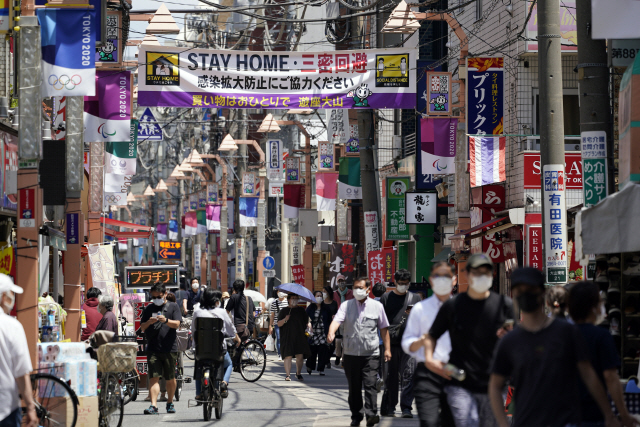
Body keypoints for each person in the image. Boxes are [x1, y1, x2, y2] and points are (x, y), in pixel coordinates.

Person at [489, 269, 622, 427]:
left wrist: (608, 415)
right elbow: (495, 385)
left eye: (530, 290)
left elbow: (589, 375)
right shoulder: (509, 341)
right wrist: (503, 424)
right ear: (513, 294)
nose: (525, 295)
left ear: (542, 293)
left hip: (566, 422)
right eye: (519, 290)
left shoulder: (566, 333)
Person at [424, 253, 514, 427]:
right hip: (459, 381)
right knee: (467, 423)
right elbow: (431, 336)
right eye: (476, 272)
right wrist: (430, 359)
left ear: (492, 274)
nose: (481, 276)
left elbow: (517, 341)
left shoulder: (504, 304)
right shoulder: (453, 305)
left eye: (485, 272)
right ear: (467, 275)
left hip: (494, 383)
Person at [569, 281, 638, 427]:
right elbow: (611, 378)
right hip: (593, 415)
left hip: (565, 414)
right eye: (600, 301)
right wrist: (623, 415)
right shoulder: (601, 336)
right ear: (593, 306)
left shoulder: (562, 335)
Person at [328, 277, 391, 427]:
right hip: (350, 354)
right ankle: (356, 416)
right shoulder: (346, 305)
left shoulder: (377, 306)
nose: (357, 290)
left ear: (368, 290)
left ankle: (371, 415)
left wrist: (387, 349)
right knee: (354, 388)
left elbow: (384, 329)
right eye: (355, 287)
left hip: (371, 354)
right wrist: (331, 332)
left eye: (361, 288)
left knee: (370, 385)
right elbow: (337, 320)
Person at [402, 261, 456, 427]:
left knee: (452, 420)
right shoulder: (420, 309)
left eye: (446, 276)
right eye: (437, 276)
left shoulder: (463, 308)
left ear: (454, 280)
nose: (442, 280)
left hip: (454, 371)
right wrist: (421, 341)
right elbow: (407, 342)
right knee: (429, 421)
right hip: (427, 371)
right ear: (431, 280)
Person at [380, 268, 421, 418]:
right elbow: (382, 324)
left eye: (406, 283)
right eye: (401, 283)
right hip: (391, 343)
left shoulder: (415, 298)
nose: (404, 286)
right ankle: (391, 406)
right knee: (391, 375)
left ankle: (406, 407)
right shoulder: (386, 298)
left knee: (409, 374)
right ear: (395, 282)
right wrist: (386, 348)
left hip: (409, 343)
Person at [0, 275, 38, 427]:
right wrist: (30, 407)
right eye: (11, 294)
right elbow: (21, 372)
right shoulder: (12, 326)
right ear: (3, 297)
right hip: (5, 408)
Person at [140, 282, 182, 415]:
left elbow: (177, 324)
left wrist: (165, 321)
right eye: (153, 297)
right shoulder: (148, 308)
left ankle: (170, 402)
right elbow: (142, 327)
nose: (156, 299)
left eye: (158, 296)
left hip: (170, 348)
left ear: (164, 294)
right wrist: (149, 322)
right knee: (154, 378)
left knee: (170, 377)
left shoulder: (173, 306)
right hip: (153, 348)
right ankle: (153, 405)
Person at [192, 288, 241, 401]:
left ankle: (199, 393)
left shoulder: (197, 312)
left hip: (201, 350)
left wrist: (194, 347)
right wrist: (236, 338)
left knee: (199, 364)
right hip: (218, 350)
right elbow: (231, 329)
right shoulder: (222, 312)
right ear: (215, 301)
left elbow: (194, 331)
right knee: (228, 364)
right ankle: (224, 382)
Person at [277, 294, 311, 381]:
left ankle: (298, 373)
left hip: (299, 336)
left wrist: (309, 326)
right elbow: (278, 324)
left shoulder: (301, 310)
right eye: (293, 298)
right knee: (288, 356)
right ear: (288, 299)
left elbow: (306, 321)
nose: (294, 300)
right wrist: (285, 319)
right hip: (287, 336)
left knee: (300, 356)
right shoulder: (284, 311)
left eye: (296, 298)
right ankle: (288, 375)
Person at [306, 291, 332, 376]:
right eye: (317, 296)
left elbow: (329, 320)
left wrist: (330, 331)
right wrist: (308, 325)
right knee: (312, 352)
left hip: (322, 333)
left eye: (321, 296)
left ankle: (321, 369)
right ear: (314, 297)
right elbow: (305, 318)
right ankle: (310, 366)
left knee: (322, 351)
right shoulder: (310, 308)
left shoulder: (326, 308)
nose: (319, 297)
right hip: (313, 333)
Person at [333, 276, 354, 366]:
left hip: (348, 319)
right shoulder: (334, 294)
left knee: (346, 340)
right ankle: (338, 355)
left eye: (343, 281)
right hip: (338, 319)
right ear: (337, 282)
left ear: (345, 282)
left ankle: (344, 359)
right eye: (339, 281)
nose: (341, 283)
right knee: (338, 340)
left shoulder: (351, 293)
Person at [372, 282, 387, 393]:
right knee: (383, 361)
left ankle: (376, 378)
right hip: (384, 338)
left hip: (372, 338)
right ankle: (381, 378)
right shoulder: (387, 303)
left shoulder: (370, 304)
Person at [269, 290, 289, 361]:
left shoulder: (287, 301)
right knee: (279, 338)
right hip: (277, 323)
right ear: (277, 293)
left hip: (287, 323)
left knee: (286, 338)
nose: (280, 293)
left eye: (282, 291)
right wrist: (270, 326)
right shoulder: (274, 302)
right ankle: (280, 354)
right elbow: (272, 315)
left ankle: (286, 352)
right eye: (279, 292)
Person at [322, 285, 339, 370]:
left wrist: (335, 316)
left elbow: (337, 313)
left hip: (332, 325)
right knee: (324, 344)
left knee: (332, 344)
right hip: (323, 325)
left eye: (325, 291)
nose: (323, 293)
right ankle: (326, 361)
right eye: (323, 291)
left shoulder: (334, 303)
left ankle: (327, 358)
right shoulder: (321, 303)